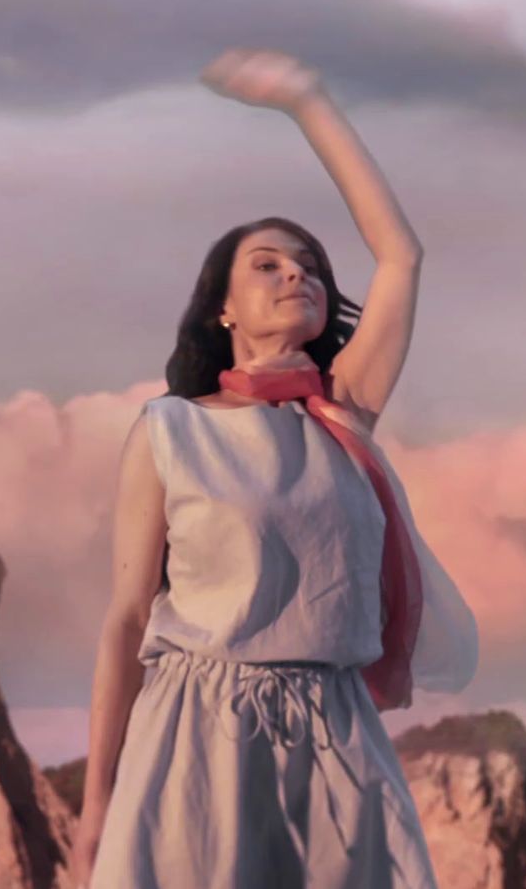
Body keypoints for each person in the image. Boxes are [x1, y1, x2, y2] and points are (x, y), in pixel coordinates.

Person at [72, 48, 478, 889]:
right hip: (196, 732)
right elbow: (123, 622)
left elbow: (400, 255)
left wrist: (307, 102)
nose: (296, 272)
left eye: (310, 268)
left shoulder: (343, 412)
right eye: (267, 263)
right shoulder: (169, 431)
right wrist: (96, 807)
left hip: (336, 730)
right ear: (223, 308)